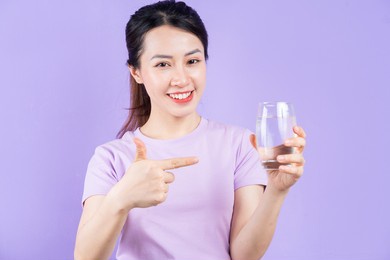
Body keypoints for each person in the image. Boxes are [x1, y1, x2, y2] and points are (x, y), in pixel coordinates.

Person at [74, 1, 307, 260]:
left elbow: (244, 255)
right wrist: (120, 200)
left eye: (192, 61)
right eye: (163, 64)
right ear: (136, 72)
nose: (182, 79)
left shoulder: (240, 144)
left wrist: (276, 191)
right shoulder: (111, 157)